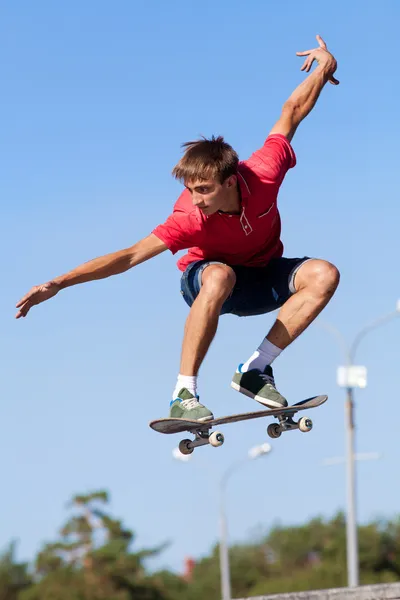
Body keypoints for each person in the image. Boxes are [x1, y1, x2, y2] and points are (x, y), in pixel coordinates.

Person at [16, 35, 340, 423]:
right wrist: (59, 282)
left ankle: (254, 371)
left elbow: (292, 111)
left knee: (324, 273)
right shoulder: (189, 217)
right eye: (190, 190)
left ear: (231, 181)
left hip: (259, 278)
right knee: (220, 274)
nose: (196, 199)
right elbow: (129, 256)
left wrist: (325, 67)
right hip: (205, 281)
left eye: (204, 190)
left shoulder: (264, 171)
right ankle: (184, 393)